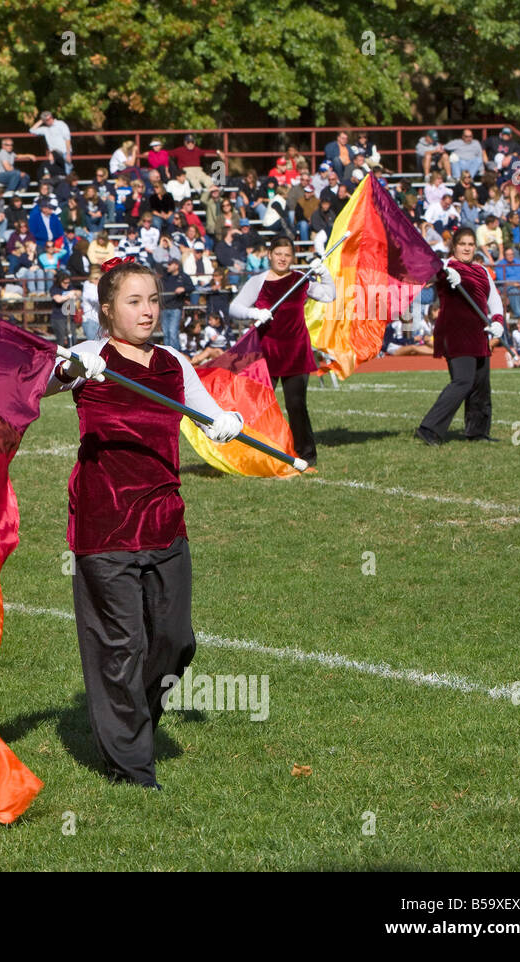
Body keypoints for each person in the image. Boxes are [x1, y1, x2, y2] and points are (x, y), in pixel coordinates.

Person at [42, 258, 242, 789]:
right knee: (119, 646)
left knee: (175, 642)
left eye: (153, 300)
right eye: (134, 301)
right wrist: (66, 372)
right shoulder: (89, 356)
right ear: (107, 309)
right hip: (104, 527)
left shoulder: (174, 362)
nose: (148, 310)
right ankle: (131, 766)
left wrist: (228, 423)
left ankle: (132, 722)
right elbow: (32, 387)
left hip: (165, 523)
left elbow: (209, 415)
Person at [229, 236, 335, 466]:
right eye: (278, 253)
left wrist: (323, 273)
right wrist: (254, 313)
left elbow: (329, 295)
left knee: (296, 405)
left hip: (296, 351)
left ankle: (305, 455)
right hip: (266, 353)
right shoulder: (258, 281)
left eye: (287, 255)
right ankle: (253, 452)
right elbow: (234, 307)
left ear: (292, 258)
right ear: (270, 255)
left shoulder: (300, 280)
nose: (282, 258)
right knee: (259, 405)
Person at [416, 228, 503, 445]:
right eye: (462, 244)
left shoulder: (482, 270)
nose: (467, 248)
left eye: (471, 244)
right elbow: (424, 277)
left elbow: (494, 300)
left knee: (481, 384)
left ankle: (477, 432)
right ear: (454, 246)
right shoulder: (445, 266)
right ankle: (429, 428)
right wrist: (444, 273)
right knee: (463, 381)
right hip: (455, 333)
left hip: (479, 333)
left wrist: (499, 322)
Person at [30, 111, 72, 176]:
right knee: (56, 173)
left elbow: (67, 139)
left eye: (50, 118)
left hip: (64, 152)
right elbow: (32, 130)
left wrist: (68, 153)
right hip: (53, 155)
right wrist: (41, 121)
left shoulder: (61, 124)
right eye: (47, 120)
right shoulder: (45, 129)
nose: (49, 120)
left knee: (67, 172)